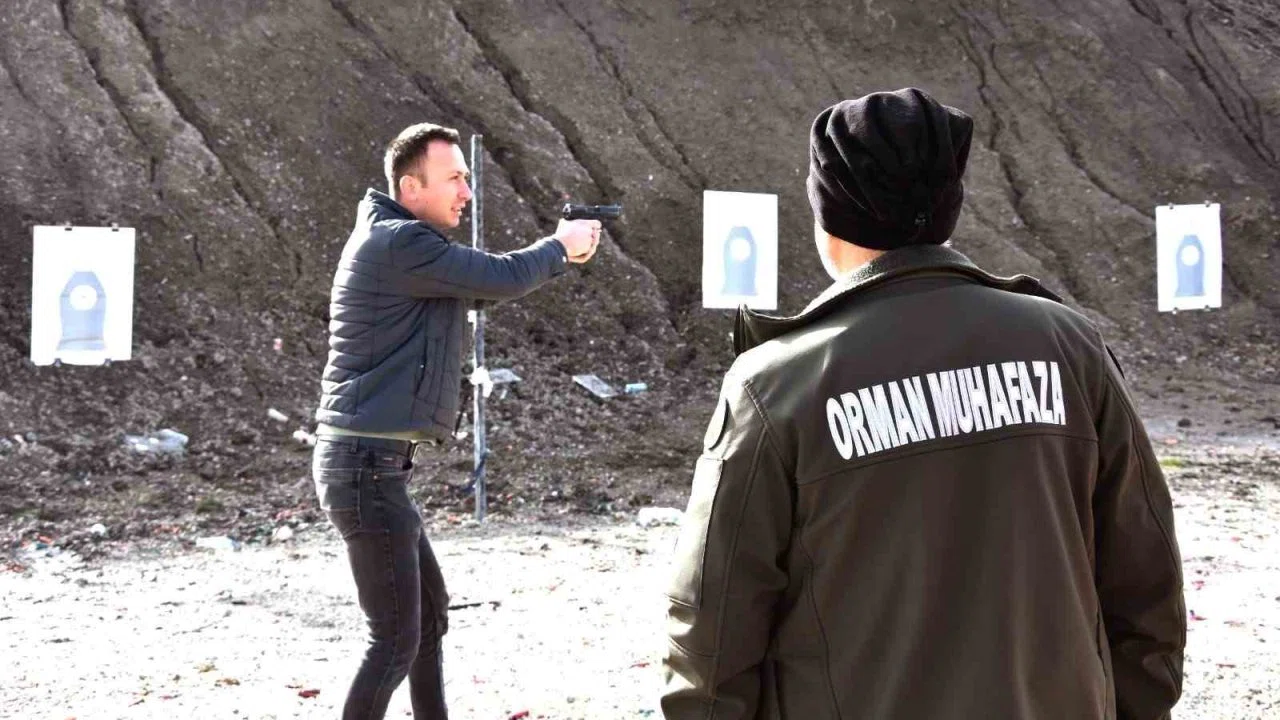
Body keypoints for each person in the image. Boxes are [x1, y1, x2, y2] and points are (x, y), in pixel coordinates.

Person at [661, 88, 1185, 719]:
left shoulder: (773, 383)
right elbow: (1145, 569)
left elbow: (714, 621)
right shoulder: (1069, 344)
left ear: (828, 214)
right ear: (948, 208)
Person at [312, 122, 599, 719]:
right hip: (364, 467)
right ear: (411, 187)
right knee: (394, 638)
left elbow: (488, 285)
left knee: (428, 618)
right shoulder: (399, 243)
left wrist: (558, 253)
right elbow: (500, 276)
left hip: (374, 467)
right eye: (454, 179)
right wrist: (559, 247)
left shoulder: (410, 248)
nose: (466, 192)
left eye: (465, 179)